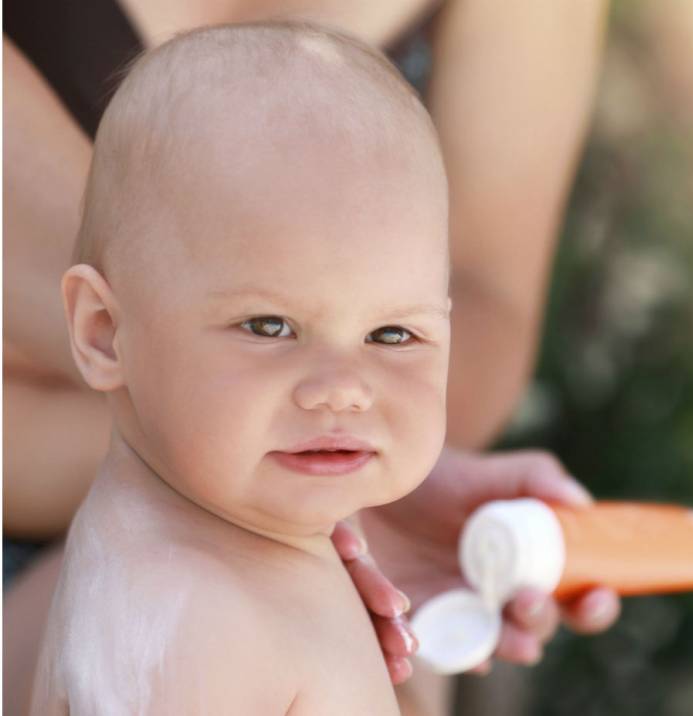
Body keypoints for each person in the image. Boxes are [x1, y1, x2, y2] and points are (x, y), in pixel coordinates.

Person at [3, 3, 616, 715]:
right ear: (104, 331)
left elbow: (492, 296)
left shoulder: (189, 563)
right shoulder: (194, 625)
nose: (344, 389)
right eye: (269, 326)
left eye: (393, 335)